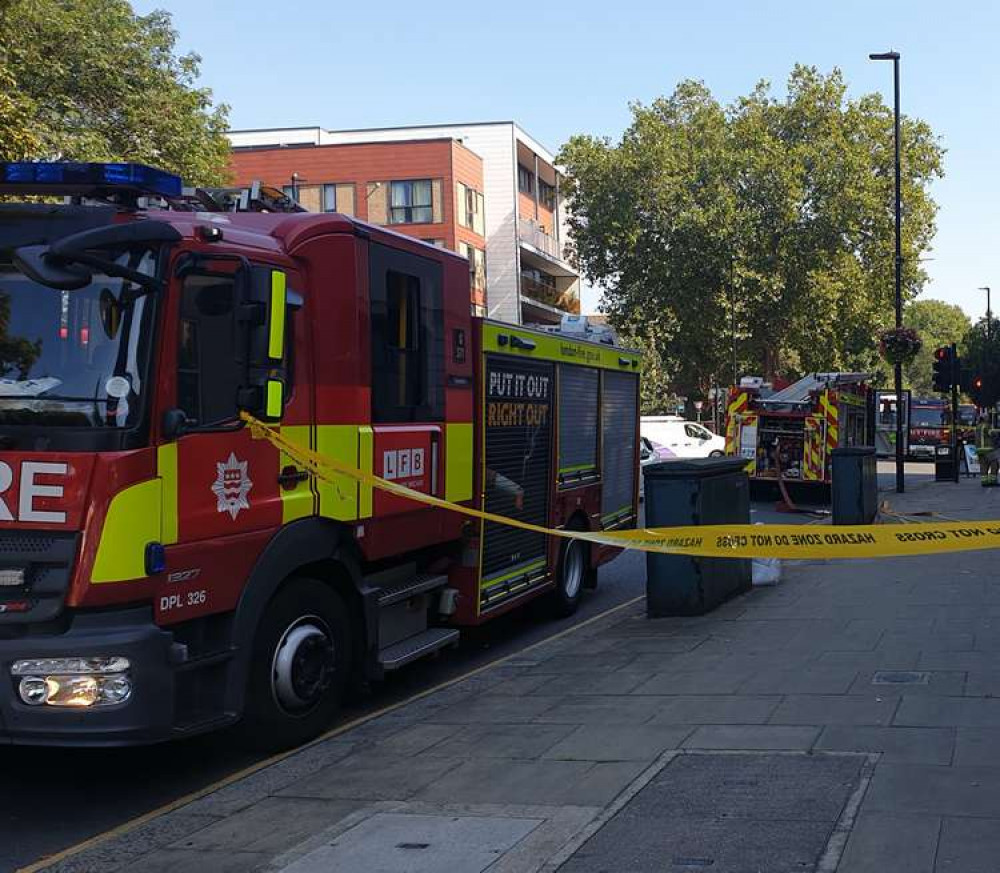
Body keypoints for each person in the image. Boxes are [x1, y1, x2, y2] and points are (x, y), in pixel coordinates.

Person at [976, 414, 1000, 487]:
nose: (988, 418)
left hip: (979, 449)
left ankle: (984, 481)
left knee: (984, 466)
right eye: (987, 417)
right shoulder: (987, 426)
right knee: (995, 464)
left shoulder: (978, 426)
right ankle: (993, 481)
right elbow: (992, 434)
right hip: (988, 449)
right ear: (985, 418)